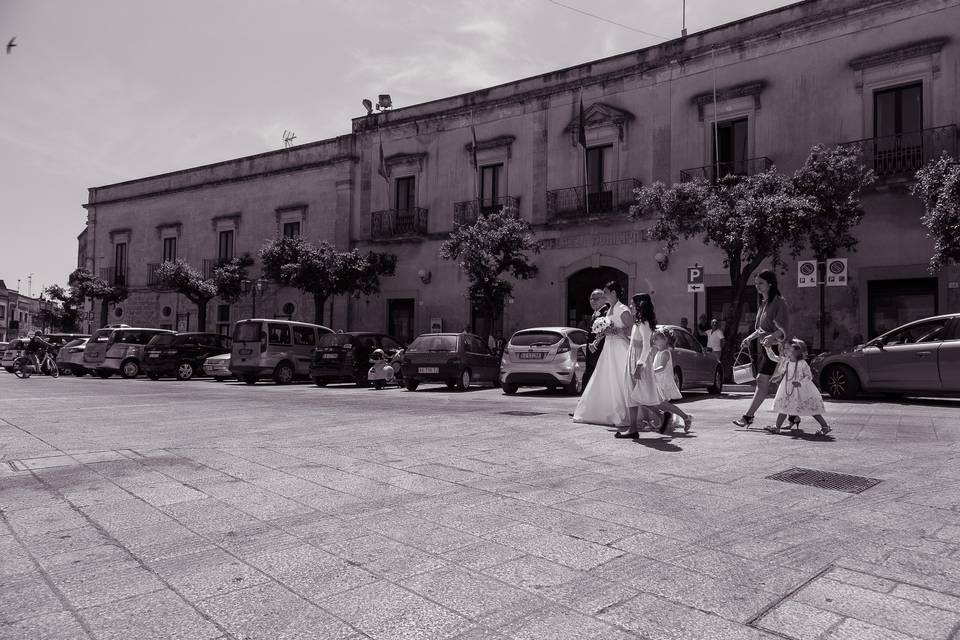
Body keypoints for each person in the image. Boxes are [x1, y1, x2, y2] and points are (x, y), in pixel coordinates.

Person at [733, 270, 790, 428]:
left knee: (762, 380)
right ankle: (793, 416)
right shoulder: (764, 303)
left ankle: (748, 416)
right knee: (781, 384)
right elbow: (761, 329)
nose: (757, 286)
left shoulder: (779, 302)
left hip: (778, 350)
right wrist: (749, 338)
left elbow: (783, 327)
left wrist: (772, 337)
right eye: (756, 283)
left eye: (761, 283)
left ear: (770, 284)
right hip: (767, 349)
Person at [573, 281, 633, 428]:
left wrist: (617, 331)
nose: (604, 295)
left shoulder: (622, 309)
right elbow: (606, 328)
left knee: (620, 379)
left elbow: (632, 329)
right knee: (606, 377)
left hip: (620, 347)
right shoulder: (609, 309)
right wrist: (598, 339)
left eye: (605, 292)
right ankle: (605, 411)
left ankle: (625, 412)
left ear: (613, 293)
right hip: (608, 347)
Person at [764, 339, 832, 436]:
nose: (784, 350)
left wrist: (800, 383)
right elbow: (773, 357)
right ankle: (777, 427)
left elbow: (809, 376)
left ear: (797, 350)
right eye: (784, 348)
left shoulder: (802, 363)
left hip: (802, 389)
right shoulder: (785, 361)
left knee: (811, 407)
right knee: (784, 406)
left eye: (788, 348)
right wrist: (767, 348)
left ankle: (825, 426)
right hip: (787, 388)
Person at [620, 293, 663, 438]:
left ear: (640, 305)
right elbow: (636, 342)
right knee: (633, 394)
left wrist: (639, 365)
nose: (630, 306)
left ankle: (661, 415)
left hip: (639, 360)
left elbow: (646, 347)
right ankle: (633, 428)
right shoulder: (639, 322)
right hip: (634, 358)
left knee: (636, 393)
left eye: (632, 303)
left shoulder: (643, 323)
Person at [651, 328, 693, 434]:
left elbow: (662, 366)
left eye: (656, 339)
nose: (654, 340)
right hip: (659, 381)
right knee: (661, 404)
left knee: (663, 404)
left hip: (663, 382)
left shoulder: (665, 353)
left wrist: (652, 372)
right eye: (654, 338)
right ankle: (669, 421)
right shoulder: (659, 352)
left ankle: (685, 417)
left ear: (665, 340)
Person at [582, 289, 610, 389]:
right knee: (590, 374)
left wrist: (595, 344)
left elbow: (606, 332)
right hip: (591, 352)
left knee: (595, 375)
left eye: (596, 299)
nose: (593, 301)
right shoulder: (595, 313)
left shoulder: (606, 313)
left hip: (599, 351)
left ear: (604, 299)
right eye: (591, 298)